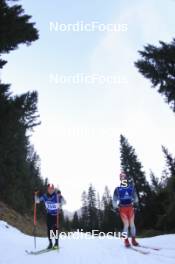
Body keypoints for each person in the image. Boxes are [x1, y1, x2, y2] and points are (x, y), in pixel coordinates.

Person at [35, 184, 66, 249]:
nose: (50, 190)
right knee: (49, 230)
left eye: (52, 189)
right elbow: (37, 201)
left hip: (56, 215)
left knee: (55, 230)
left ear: (54, 189)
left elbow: (64, 202)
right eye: (49, 189)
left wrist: (60, 196)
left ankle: (56, 243)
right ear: (47, 189)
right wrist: (36, 195)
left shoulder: (57, 196)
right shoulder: (45, 196)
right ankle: (50, 243)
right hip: (49, 215)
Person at [112, 172, 139, 247]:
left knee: (132, 224)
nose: (123, 178)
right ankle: (126, 240)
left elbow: (135, 196)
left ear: (126, 178)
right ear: (120, 179)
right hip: (122, 209)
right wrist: (116, 208)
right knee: (126, 224)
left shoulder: (131, 187)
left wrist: (136, 203)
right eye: (121, 177)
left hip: (130, 208)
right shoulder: (117, 189)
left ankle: (133, 240)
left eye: (124, 177)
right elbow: (114, 200)